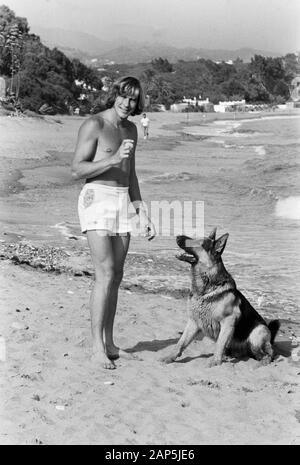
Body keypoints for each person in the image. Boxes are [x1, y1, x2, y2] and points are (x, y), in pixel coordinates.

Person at [71, 76, 156, 369]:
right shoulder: (94, 125)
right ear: (114, 94)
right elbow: (76, 169)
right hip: (96, 198)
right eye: (123, 96)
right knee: (104, 272)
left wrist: (141, 211)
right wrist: (112, 159)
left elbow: (130, 175)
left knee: (117, 274)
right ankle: (96, 347)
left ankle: (108, 341)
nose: (127, 103)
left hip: (122, 200)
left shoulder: (131, 128)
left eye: (133, 99)